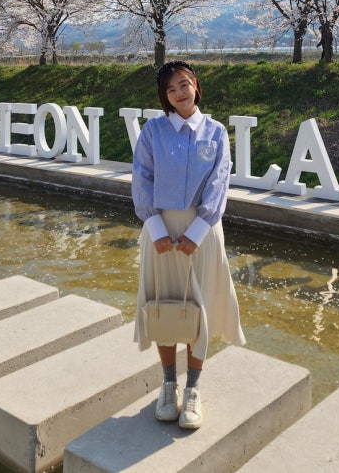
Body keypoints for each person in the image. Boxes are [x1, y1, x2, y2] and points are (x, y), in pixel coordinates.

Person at [132, 60, 245, 430]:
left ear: (196, 85)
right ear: (164, 97)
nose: (179, 93)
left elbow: (219, 183)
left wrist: (197, 232)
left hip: (203, 230)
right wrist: (154, 226)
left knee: (201, 308)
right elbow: (142, 178)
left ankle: (193, 389)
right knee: (162, 305)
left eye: (184, 84)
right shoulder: (153, 131)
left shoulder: (215, 132)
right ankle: (169, 386)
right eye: (171, 89)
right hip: (160, 230)